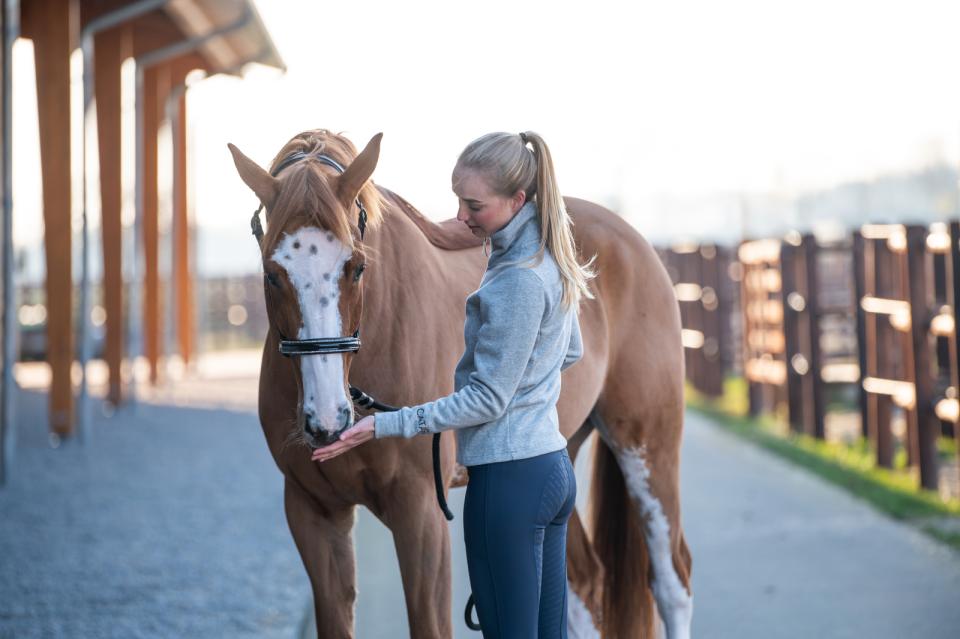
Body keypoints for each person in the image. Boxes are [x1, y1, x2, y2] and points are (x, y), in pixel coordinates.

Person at [311, 131, 594, 638]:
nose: (461, 217)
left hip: (508, 483)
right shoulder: (549, 260)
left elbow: (487, 398)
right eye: (458, 200)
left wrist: (384, 425)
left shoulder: (514, 281)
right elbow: (569, 351)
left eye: (474, 205)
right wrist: (526, 394)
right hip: (552, 471)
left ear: (517, 201)